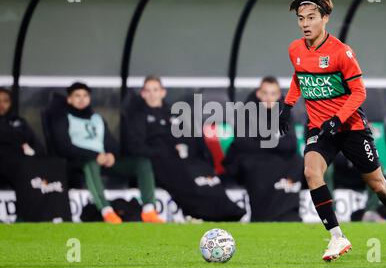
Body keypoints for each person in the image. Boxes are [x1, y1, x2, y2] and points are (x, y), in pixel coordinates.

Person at [278, 0, 386, 261]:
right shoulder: (295, 49)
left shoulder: (341, 52)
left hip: (350, 127)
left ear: (325, 17)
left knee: (378, 184)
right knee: (311, 172)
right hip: (320, 127)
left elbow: (359, 93)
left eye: (311, 17)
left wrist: (337, 119)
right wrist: (288, 105)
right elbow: (299, 76)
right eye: (301, 19)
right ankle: (337, 238)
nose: (305, 24)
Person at [122, 76, 245, 221]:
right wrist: (162, 152)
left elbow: (190, 137)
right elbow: (135, 146)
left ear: (163, 92)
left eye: (155, 90)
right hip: (159, 161)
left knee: (205, 173)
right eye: (148, 90)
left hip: (184, 158)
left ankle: (228, 209)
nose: (152, 94)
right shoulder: (139, 116)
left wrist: (186, 149)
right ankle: (201, 213)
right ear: (142, 94)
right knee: (186, 178)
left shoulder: (174, 113)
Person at [51, 82, 163, 224]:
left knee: (142, 163)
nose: (81, 99)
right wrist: (94, 155)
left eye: (85, 95)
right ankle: (107, 211)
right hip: (79, 161)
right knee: (90, 164)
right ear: (69, 99)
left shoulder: (97, 119)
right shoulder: (64, 119)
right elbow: (64, 146)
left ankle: (149, 210)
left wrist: (111, 155)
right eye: (77, 96)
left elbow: (110, 142)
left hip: (102, 160)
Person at [223, 76, 303, 221]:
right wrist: (273, 140)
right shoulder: (246, 111)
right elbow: (243, 144)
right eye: (265, 93)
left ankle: (289, 214)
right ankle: (262, 216)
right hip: (249, 160)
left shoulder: (284, 112)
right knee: (256, 165)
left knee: (298, 161)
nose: (268, 98)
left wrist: (261, 137)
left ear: (278, 95)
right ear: (259, 94)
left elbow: (291, 144)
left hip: (273, 158)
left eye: (273, 94)